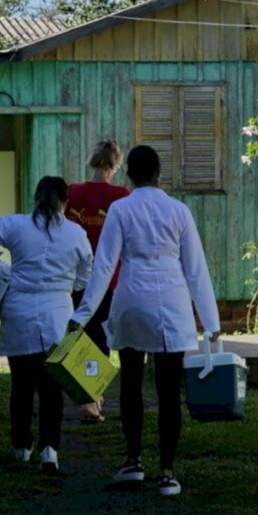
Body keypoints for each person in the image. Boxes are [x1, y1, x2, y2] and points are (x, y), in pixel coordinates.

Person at [70, 145, 221, 497]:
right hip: (172, 301)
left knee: (131, 383)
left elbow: (104, 265)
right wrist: (211, 322)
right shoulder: (179, 211)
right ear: (158, 174)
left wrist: (82, 313)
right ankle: (167, 472)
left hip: (131, 298)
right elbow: (195, 270)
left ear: (129, 175)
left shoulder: (121, 209)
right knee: (169, 391)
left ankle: (133, 462)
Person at [0, 176, 92, 474]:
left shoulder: (15, 225)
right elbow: (85, 277)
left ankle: (21, 447)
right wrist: (66, 284)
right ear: (66, 202)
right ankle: (50, 451)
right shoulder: (76, 234)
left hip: (19, 312)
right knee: (52, 387)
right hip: (57, 314)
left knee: (22, 386)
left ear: (36, 199)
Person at [64, 139, 131, 424]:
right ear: (116, 165)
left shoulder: (72, 193)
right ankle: (92, 399)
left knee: (79, 336)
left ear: (91, 161)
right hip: (108, 281)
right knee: (100, 339)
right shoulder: (121, 195)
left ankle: (88, 397)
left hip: (74, 278)